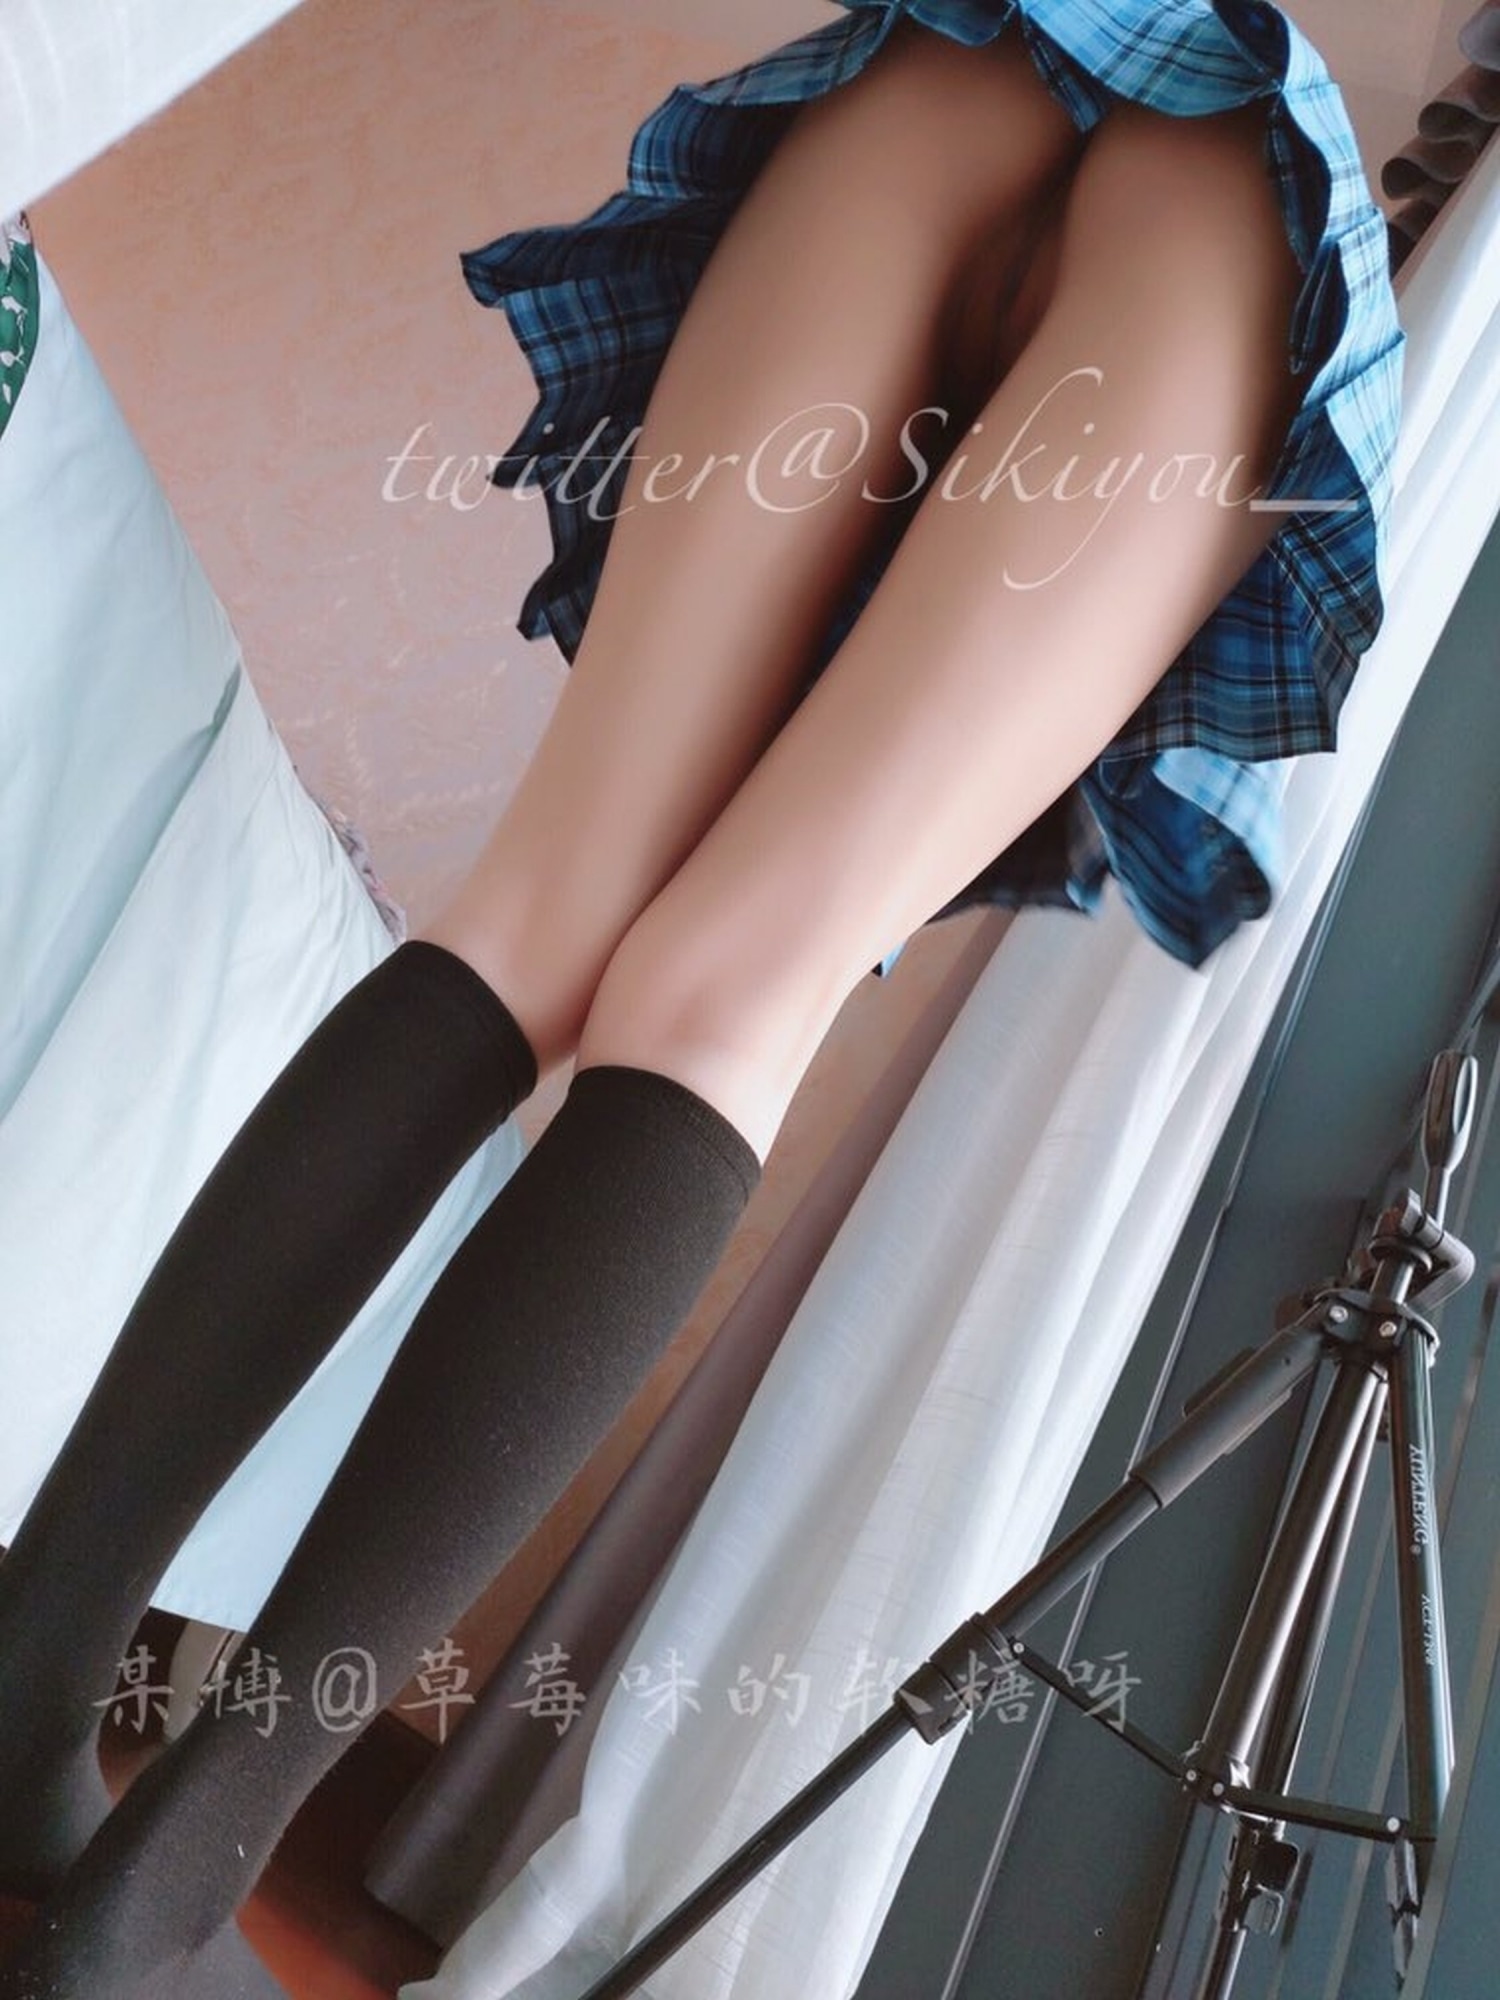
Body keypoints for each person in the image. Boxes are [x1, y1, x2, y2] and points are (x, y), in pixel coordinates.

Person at [0, 2, 1402, 1994]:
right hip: (1241, 215)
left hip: (964, 60)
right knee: (726, 1001)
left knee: (539, 909)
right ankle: (162, 1891)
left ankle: (29, 1688)